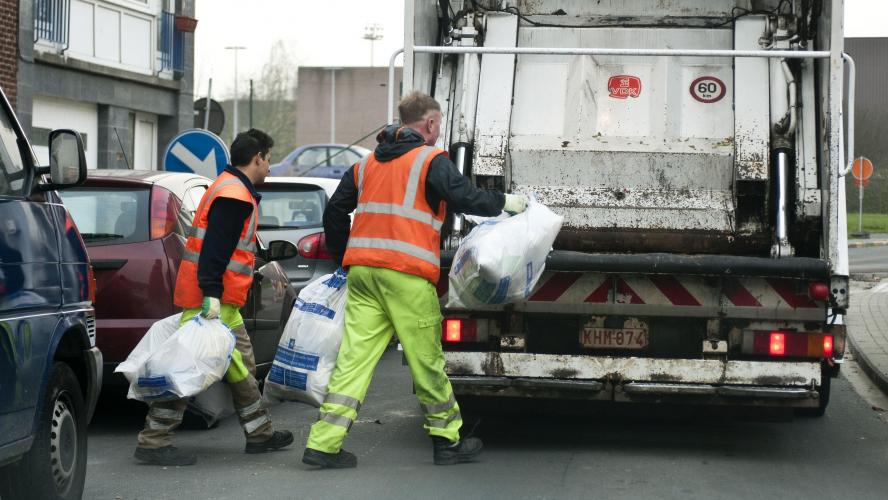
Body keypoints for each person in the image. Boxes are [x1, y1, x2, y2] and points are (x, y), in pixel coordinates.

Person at [302, 92, 527, 469]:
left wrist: (345, 258)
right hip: (406, 276)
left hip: (363, 274)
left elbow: (336, 211)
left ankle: (323, 444)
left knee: (353, 361)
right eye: (437, 124)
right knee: (427, 362)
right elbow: (465, 197)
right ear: (430, 124)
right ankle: (447, 441)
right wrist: (505, 202)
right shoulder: (429, 160)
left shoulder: (366, 164)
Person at [134, 129, 293, 466]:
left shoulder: (228, 187)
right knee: (187, 366)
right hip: (211, 301)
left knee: (240, 368)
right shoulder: (234, 195)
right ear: (257, 158)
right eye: (268, 159)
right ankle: (153, 440)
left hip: (220, 301)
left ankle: (260, 434)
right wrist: (211, 295)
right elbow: (215, 251)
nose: (270, 166)